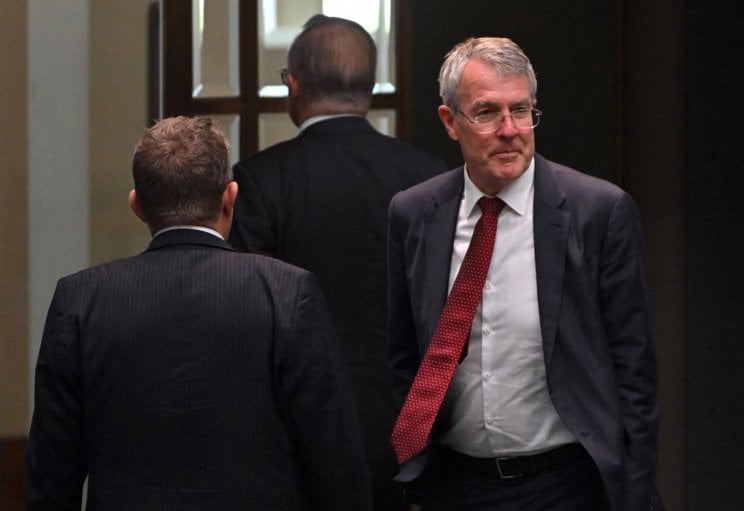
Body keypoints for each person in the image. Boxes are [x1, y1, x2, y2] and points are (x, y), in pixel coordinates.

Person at [25, 116, 372, 510]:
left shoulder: (79, 301)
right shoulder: (287, 293)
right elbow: (335, 461)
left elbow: (51, 475)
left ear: (137, 205)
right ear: (230, 198)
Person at [387, 37, 664, 510]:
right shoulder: (415, 214)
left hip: (568, 484)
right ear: (450, 122)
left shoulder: (597, 212)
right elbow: (404, 356)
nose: (510, 130)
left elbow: (634, 372)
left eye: (521, 110)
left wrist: (633, 494)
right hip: (455, 485)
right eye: (487, 112)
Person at [229, 15, 447, 510]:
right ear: (369, 88)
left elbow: (245, 319)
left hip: (297, 435)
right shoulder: (431, 181)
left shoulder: (259, 181)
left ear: (294, 85)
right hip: (413, 433)